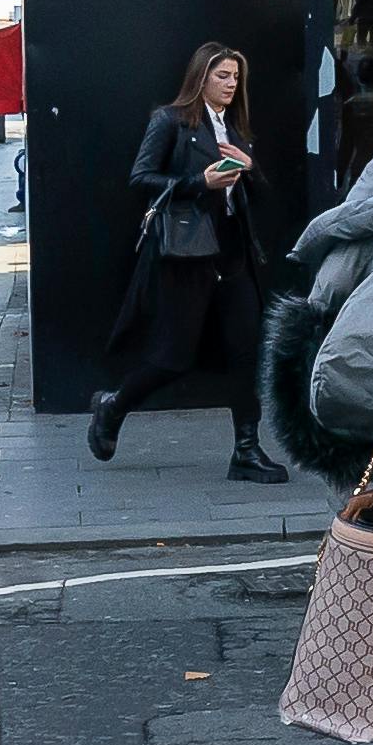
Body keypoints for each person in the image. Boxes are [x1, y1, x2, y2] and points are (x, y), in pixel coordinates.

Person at [91, 42, 287, 481]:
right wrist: (199, 182)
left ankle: (247, 450)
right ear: (201, 78)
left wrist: (249, 168)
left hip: (234, 254)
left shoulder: (235, 128)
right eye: (222, 76)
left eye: (236, 77)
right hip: (188, 254)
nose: (231, 84)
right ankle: (113, 405)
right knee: (173, 357)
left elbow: (260, 194)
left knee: (245, 351)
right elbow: (141, 177)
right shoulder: (172, 121)